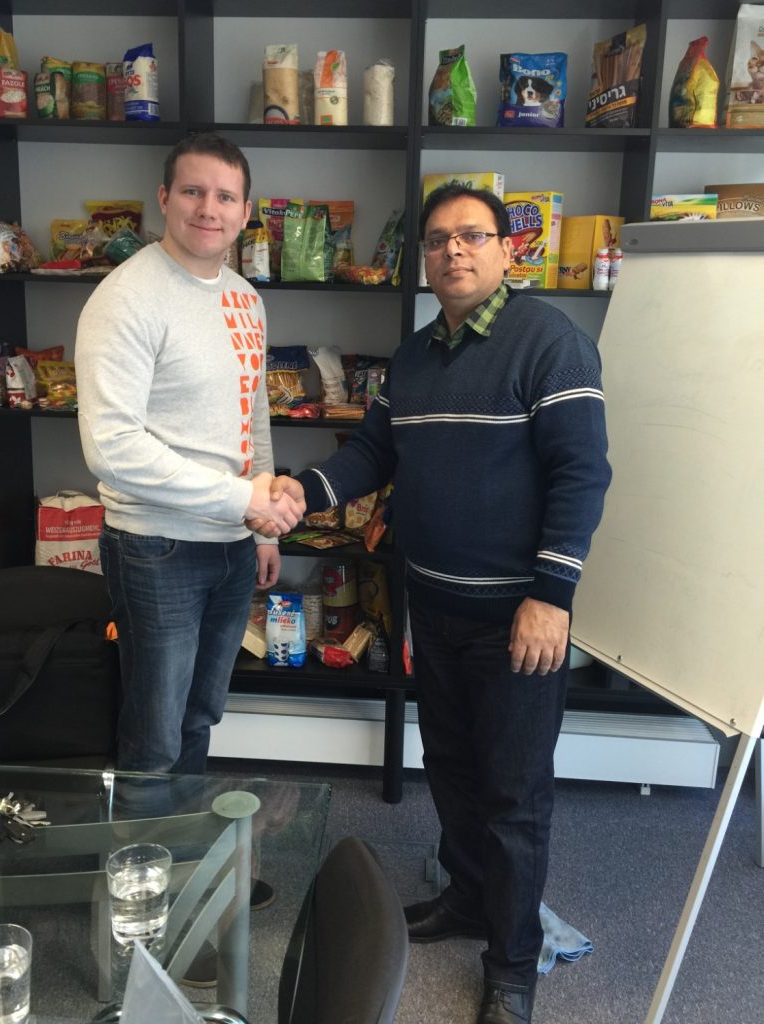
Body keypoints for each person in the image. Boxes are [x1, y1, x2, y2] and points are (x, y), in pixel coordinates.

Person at [251, 184, 611, 1024]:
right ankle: (468, 899)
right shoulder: (412, 357)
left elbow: (580, 475)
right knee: (448, 766)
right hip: (432, 605)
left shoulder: (551, 344)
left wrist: (551, 596)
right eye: (439, 239)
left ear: (506, 250)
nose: (454, 250)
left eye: (472, 236)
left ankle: (511, 966)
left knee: (513, 795)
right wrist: (302, 491)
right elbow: (373, 454)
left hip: (517, 617)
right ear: (424, 256)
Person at [75, 131, 305, 777]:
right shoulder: (126, 297)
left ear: (244, 211)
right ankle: (143, 843)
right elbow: (111, 448)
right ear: (164, 198)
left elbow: (251, 414)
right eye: (193, 191)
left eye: (225, 196)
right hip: (157, 548)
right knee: (154, 736)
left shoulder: (244, 297)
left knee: (200, 714)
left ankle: (184, 836)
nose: (209, 209)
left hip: (232, 544)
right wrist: (242, 500)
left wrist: (259, 527)